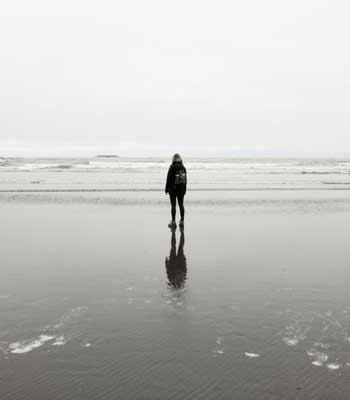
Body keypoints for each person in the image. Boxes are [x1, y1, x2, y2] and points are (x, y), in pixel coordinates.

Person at [165, 154, 187, 228]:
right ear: (180, 159)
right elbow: (185, 181)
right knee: (181, 205)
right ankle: (182, 221)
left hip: (173, 190)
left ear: (173, 159)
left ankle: (173, 222)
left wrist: (166, 189)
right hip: (181, 189)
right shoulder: (183, 167)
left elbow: (168, 179)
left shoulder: (172, 167)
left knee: (173, 205)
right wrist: (184, 190)